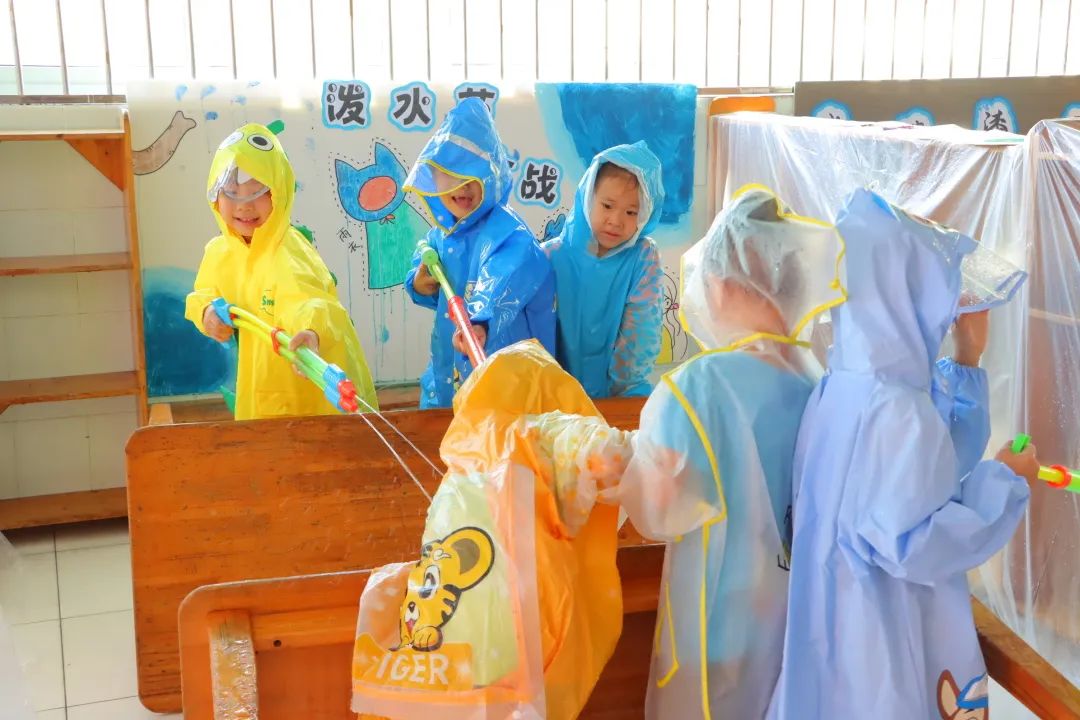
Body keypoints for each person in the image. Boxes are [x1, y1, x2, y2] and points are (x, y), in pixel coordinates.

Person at [767, 189, 1039, 720]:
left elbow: (928, 474)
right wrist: (1003, 483)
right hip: (883, 633)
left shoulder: (839, 386)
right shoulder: (897, 406)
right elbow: (916, 542)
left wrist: (967, 357)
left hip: (832, 623)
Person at [606, 186, 847, 719]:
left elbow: (658, 512)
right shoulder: (823, 383)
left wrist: (610, 464)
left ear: (718, 283)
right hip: (798, 627)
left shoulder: (699, 386)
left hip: (719, 633)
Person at [186, 123, 377, 420]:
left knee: (319, 443)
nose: (244, 206)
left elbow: (308, 300)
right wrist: (206, 312)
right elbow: (204, 293)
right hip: (260, 382)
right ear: (215, 198)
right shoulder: (220, 252)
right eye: (231, 193)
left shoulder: (289, 251)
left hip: (311, 385)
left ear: (279, 194)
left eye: (257, 193)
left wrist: (311, 330)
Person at [404, 98, 556, 409]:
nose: (462, 187)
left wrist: (479, 320)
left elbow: (500, 282)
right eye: (451, 174)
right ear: (433, 177)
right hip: (449, 368)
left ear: (493, 176)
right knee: (449, 422)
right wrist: (419, 284)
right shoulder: (442, 233)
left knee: (499, 429)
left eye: (473, 176)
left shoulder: (509, 234)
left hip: (503, 373)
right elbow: (425, 272)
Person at [543, 142, 665, 397]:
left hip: (620, 393)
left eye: (631, 212)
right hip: (554, 394)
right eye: (607, 206)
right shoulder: (550, 256)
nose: (616, 221)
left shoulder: (642, 257)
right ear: (588, 198)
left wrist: (620, 392)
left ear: (645, 215)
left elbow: (642, 331)